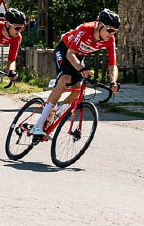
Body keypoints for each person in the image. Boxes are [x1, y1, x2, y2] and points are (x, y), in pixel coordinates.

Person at [31, 9, 121, 137]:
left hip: (78, 56)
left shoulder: (109, 40)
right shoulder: (86, 29)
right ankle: (38, 125)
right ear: (100, 25)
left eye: (115, 32)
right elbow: (69, 54)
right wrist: (81, 68)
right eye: (110, 30)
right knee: (65, 81)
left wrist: (113, 81)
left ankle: (56, 113)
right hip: (64, 50)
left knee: (78, 89)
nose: (112, 34)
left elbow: (113, 65)